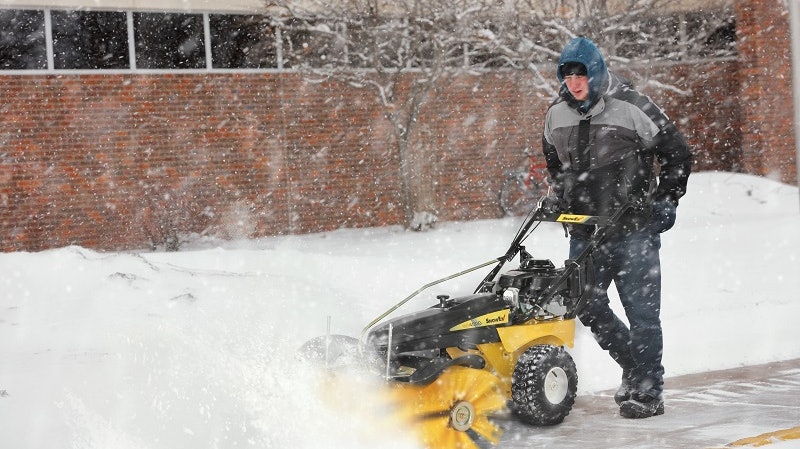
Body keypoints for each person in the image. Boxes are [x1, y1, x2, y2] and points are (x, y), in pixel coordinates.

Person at [541, 36, 692, 419]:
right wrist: (561, 194)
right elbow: (555, 163)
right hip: (587, 229)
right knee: (585, 302)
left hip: (634, 227)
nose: (575, 83)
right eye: (567, 75)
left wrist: (666, 199)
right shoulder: (557, 113)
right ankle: (634, 364)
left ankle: (648, 390)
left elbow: (677, 154)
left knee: (642, 313)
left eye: (581, 74)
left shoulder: (633, 105)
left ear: (596, 72)